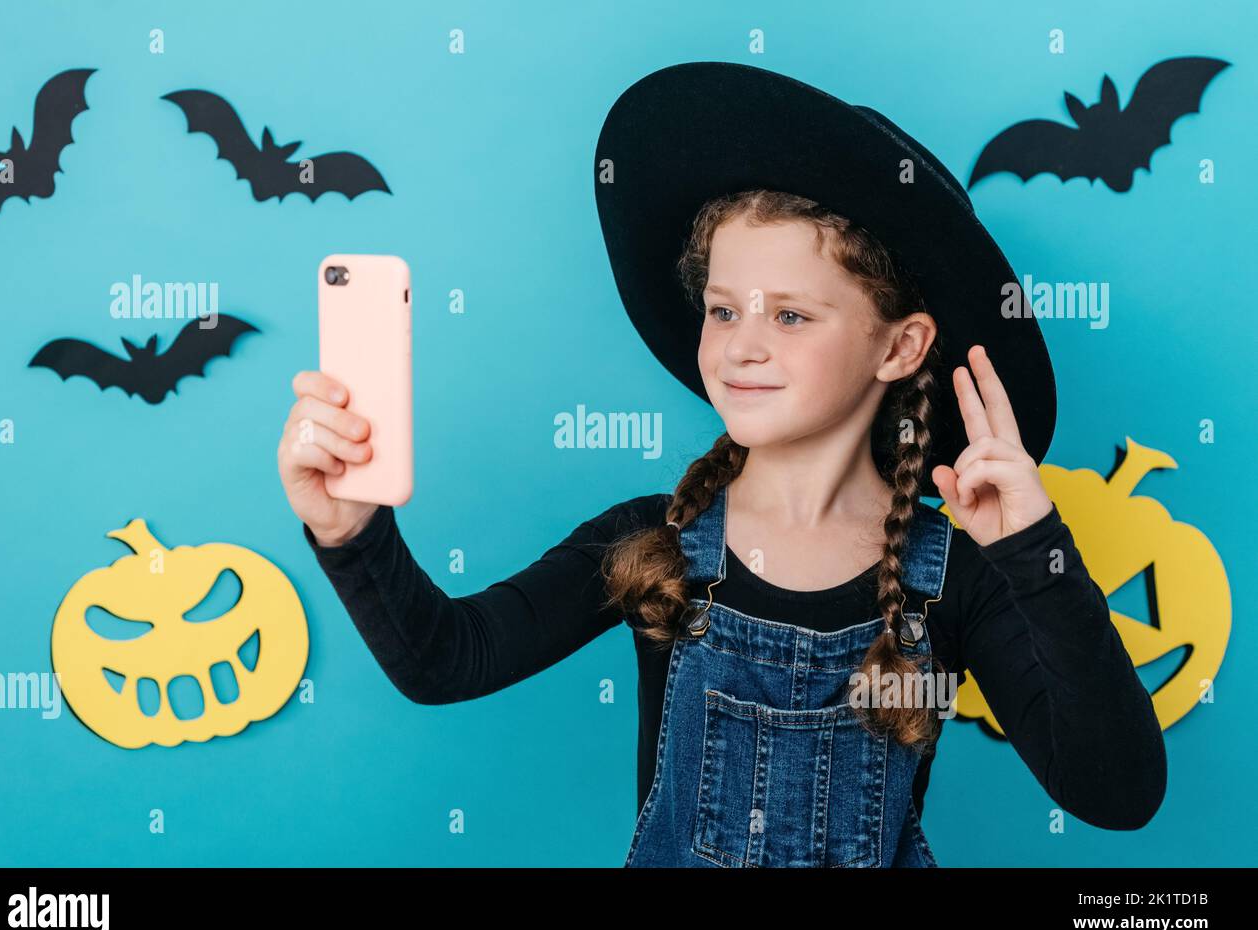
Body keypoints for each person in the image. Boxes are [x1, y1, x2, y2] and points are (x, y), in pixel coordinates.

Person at [276, 63, 1166, 867]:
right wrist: (351, 530)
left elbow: (1117, 795)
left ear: (900, 345)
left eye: (789, 316)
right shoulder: (651, 543)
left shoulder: (956, 578)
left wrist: (1036, 555)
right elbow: (445, 661)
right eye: (723, 308)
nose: (741, 346)